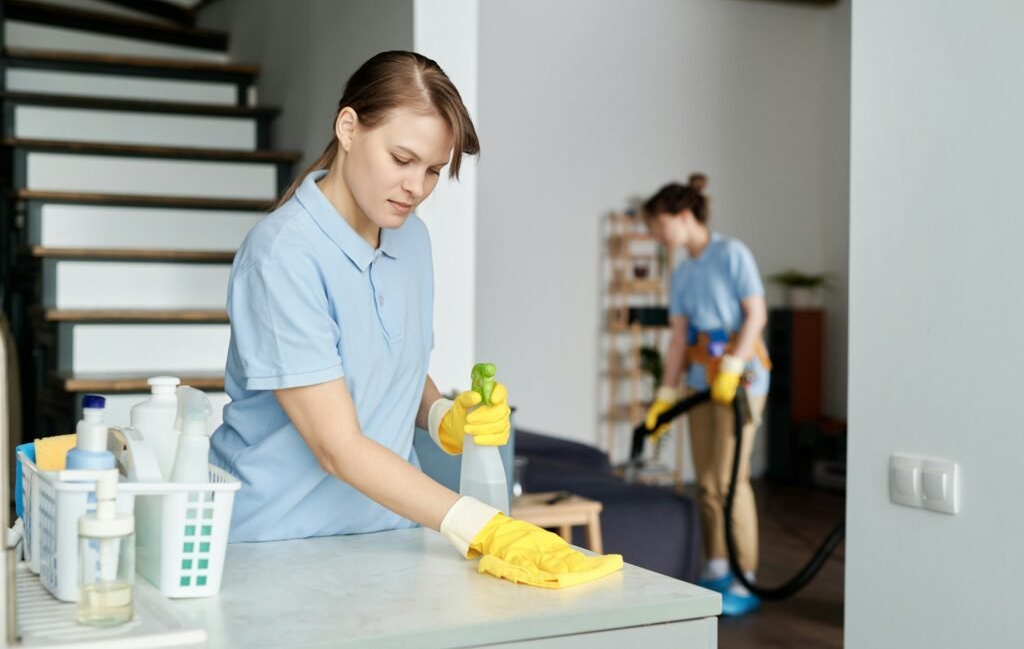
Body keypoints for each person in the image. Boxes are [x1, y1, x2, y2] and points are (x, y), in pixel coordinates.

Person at [211, 51, 621, 589]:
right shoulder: (283, 256)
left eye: (432, 170)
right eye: (401, 159)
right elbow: (337, 446)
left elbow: (387, 364)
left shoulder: (411, 238)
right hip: (276, 545)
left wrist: (440, 414)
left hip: (390, 537)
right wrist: (486, 528)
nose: (416, 187)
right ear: (349, 127)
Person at [642, 182, 770, 616]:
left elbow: (757, 315)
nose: (656, 235)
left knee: (731, 481)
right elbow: (679, 339)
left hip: (743, 381)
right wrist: (664, 396)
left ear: (681, 216)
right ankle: (717, 565)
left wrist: (734, 364)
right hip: (700, 382)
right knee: (708, 482)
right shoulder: (681, 272)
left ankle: (745, 576)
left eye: (658, 225)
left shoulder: (732, 254)